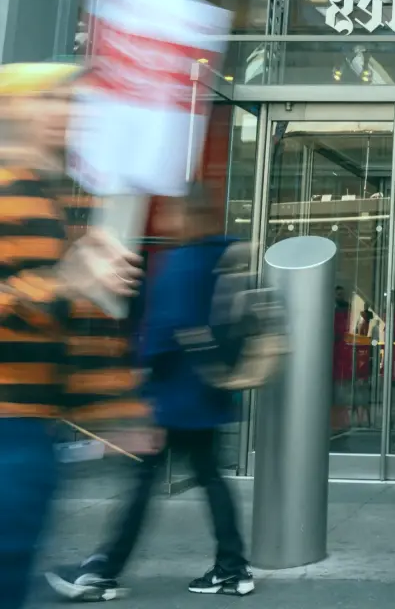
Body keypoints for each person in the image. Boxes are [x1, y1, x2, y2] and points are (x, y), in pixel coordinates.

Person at [48, 187, 255, 601]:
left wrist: (142, 393)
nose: (164, 221)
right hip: (206, 394)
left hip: (171, 396)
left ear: (188, 219)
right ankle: (233, 568)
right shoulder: (221, 259)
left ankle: (104, 570)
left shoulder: (181, 262)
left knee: (143, 483)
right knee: (210, 478)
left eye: (172, 214)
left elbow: (164, 331)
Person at [0, 62, 145, 608]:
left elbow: (68, 325)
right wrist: (66, 280)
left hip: (29, 433)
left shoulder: (50, 200)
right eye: (55, 100)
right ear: (15, 110)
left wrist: (118, 409)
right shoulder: (9, 190)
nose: (71, 113)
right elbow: (43, 296)